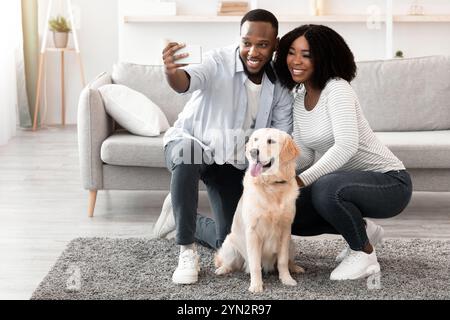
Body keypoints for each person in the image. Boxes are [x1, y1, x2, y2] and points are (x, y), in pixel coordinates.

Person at [153, 9, 293, 284]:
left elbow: (279, 137)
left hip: (232, 162)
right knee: (188, 156)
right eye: (247, 42)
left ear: (275, 45)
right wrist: (171, 72)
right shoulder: (217, 61)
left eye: (263, 45)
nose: (253, 51)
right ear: (239, 39)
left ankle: (178, 216)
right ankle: (186, 249)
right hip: (194, 142)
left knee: (230, 242)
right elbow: (185, 82)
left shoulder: (279, 86)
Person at [274, 24, 413, 281]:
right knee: (285, 209)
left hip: (390, 182)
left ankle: (364, 254)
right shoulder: (299, 97)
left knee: (324, 188)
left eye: (306, 55)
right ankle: (362, 230)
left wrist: (301, 180)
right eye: (291, 52)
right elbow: (304, 155)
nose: (296, 61)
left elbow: (346, 146)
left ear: (324, 57)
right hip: (344, 185)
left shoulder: (337, 89)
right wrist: (277, 175)